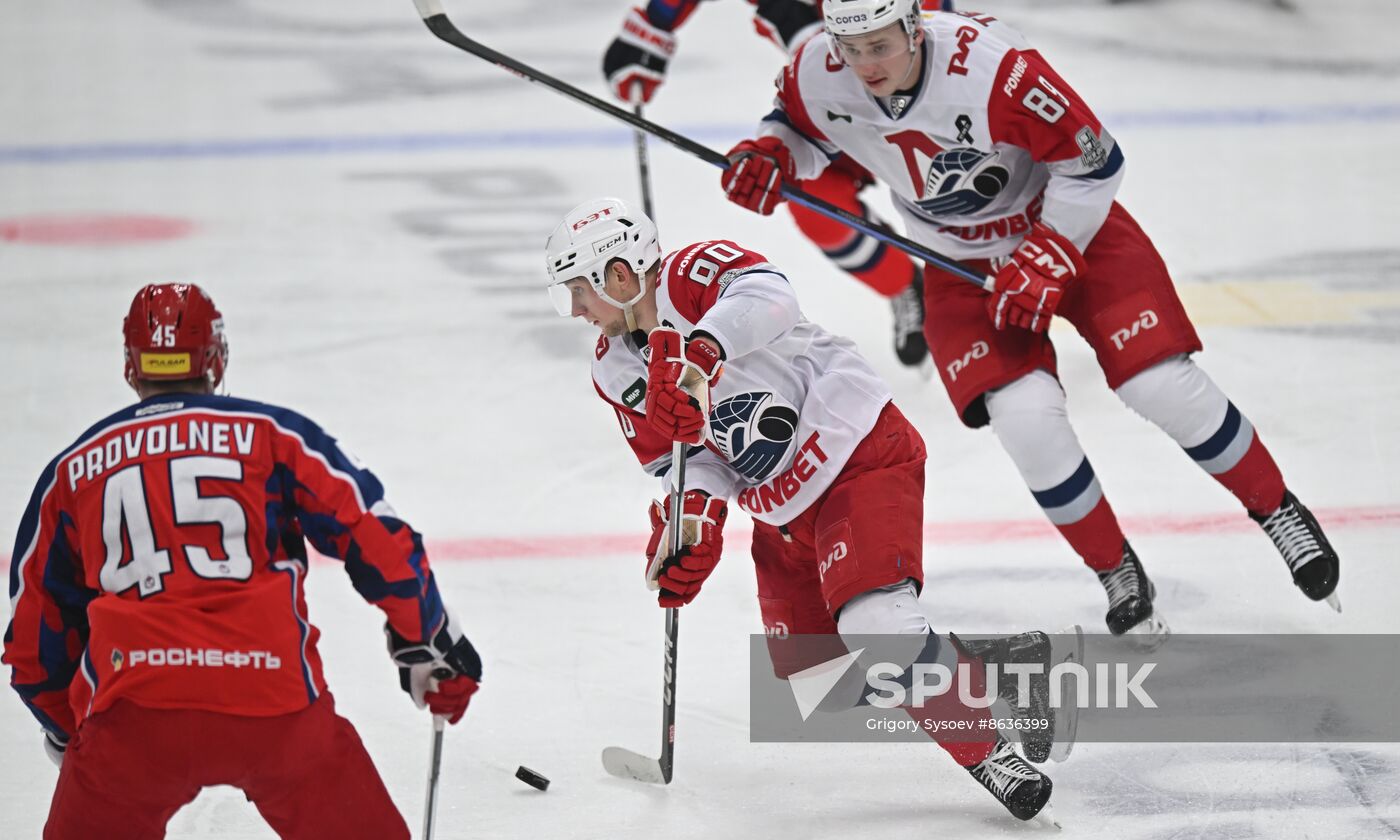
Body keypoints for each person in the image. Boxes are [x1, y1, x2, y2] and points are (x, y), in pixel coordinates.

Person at [716, 0, 1340, 639]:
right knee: (1025, 419)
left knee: (1157, 383)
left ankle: (1277, 511)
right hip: (959, 262)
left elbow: (1097, 160)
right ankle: (1114, 567)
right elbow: (798, 129)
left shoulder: (990, 68)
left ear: (914, 26)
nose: (865, 65)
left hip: (1069, 228)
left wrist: (1051, 251)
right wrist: (770, 155)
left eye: (881, 45)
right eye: (852, 48)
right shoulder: (817, 69)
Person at [544, 196, 1069, 825]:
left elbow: (771, 296)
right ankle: (1003, 668)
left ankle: (991, 757)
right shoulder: (612, 369)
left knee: (877, 627)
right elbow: (681, 460)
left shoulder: (692, 276)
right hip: (783, 509)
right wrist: (696, 522)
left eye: (578, 290)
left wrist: (702, 353)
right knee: (824, 682)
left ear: (620, 276)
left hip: (855, 451)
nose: (573, 309)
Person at [3, 284, 483, 840]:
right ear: (216, 359)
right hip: (274, 705)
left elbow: (33, 640)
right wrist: (425, 639)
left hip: (133, 720)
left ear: (131, 367)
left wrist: (71, 733)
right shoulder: (272, 435)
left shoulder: (75, 468)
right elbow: (373, 535)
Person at [601, 0, 955, 369]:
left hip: (927, 97)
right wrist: (655, 23)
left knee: (961, 198)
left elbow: (922, 37)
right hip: (836, 96)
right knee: (815, 204)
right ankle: (902, 283)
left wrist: (811, 41)